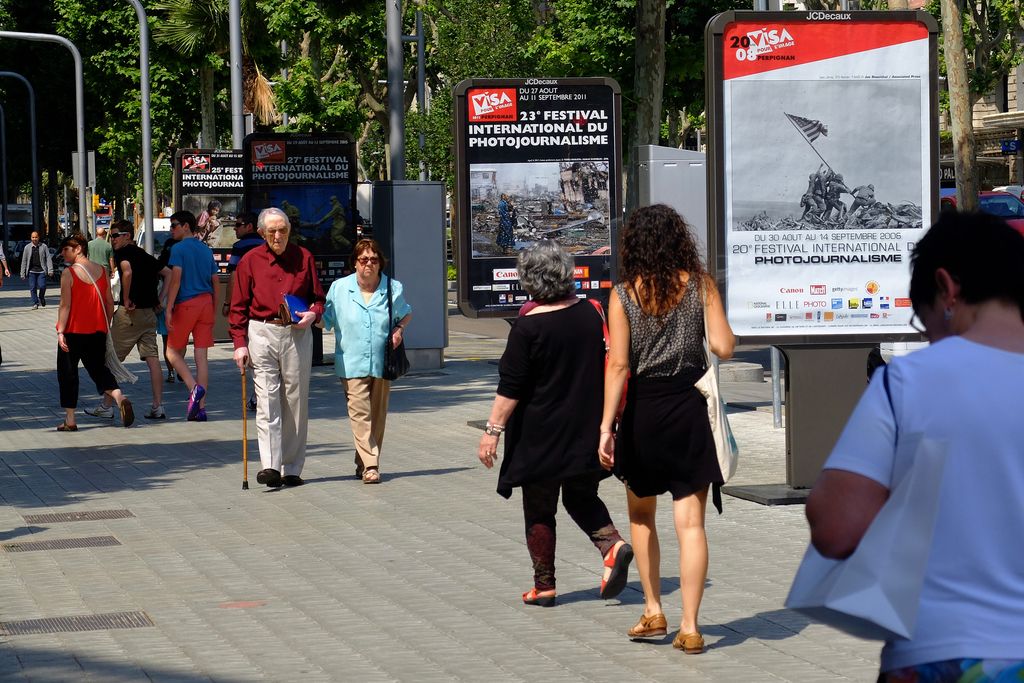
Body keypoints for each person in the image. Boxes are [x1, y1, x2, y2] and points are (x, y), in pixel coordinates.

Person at [805, 211, 1024, 682]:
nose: (927, 336)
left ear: (947, 289)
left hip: (943, 650)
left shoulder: (907, 382)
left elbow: (836, 528)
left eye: (921, 319)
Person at [598, 204, 735, 655]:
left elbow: (618, 365)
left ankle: (653, 608)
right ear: (679, 240)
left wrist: (605, 427)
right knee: (690, 523)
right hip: (688, 409)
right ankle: (691, 626)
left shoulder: (622, 295)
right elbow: (723, 346)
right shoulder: (700, 287)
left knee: (641, 515)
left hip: (643, 413)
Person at [478, 240, 633, 607]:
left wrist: (491, 433)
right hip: (586, 426)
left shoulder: (527, 327)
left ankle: (544, 585)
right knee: (582, 495)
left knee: (540, 506)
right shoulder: (591, 314)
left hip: (540, 432)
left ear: (530, 280)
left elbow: (511, 387)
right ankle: (613, 545)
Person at [229, 208, 325, 488]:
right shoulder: (250, 261)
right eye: (272, 231)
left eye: (283, 229)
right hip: (262, 330)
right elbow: (238, 307)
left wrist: (313, 314)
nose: (278, 235)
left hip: (296, 333)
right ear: (261, 233)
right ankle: (270, 465)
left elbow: (318, 299)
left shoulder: (304, 257)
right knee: (267, 398)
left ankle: (292, 467)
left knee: (296, 400)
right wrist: (239, 344)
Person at [322, 238, 411, 484]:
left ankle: (362, 461)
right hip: (351, 362)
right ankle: (372, 464)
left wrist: (399, 330)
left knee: (377, 415)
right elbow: (326, 319)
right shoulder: (340, 288)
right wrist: (305, 315)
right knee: (360, 413)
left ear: (380, 263)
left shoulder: (393, 288)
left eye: (373, 259)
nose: (368, 264)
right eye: (363, 260)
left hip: (382, 361)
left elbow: (406, 313)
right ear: (355, 263)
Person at [84, 220, 172, 421]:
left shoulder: (123, 253)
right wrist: (160, 299)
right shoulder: (147, 257)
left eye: (115, 235)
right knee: (152, 359)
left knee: (110, 358)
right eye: (111, 236)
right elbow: (168, 274)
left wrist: (125, 299)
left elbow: (127, 271)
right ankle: (158, 406)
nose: (112, 240)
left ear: (127, 236)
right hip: (149, 314)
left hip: (129, 314)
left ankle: (107, 405)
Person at [54, 233, 134, 431]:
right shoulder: (101, 270)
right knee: (99, 370)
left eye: (66, 249)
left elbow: (65, 306)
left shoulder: (69, 273)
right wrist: (105, 323)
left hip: (73, 331)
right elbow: (108, 301)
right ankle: (119, 397)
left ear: (78, 248)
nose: (63, 253)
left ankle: (70, 420)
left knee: (68, 374)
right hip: (97, 330)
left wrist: (60, 331)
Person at [164, 210, 219, 421]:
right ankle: (201, 409)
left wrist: (169, 307)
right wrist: (213, 306)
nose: (172, 229)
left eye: (174, 225)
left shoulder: (178, 249)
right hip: (206, 302)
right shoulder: (205, 249)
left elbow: (176, 279)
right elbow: (215, 281)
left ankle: (193, 388)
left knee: (172, 352)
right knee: (201, 357)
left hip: (186, 303)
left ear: (186, 226)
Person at [222, 211, 265, 411]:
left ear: (249, 226)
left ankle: (257, 394)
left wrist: (227, 303)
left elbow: (233, 277)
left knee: (251, 352)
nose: (235, 228)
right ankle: (260, 394)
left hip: (246, 305)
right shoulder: (266, 246)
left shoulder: (240, 247)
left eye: (238, 225)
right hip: (263, 306)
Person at [156, 233, 180, 384]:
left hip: (164, 304)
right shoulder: (181, 265)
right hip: (180, 304)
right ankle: (179, 367)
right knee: (179, 340)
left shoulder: (161, 265)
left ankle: (171, 371)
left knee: (167, 341)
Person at [20, 231, 53, 308]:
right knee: (33, 287)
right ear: (31, 238)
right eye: (33, 237)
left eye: (36, 237)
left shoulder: (43, 246)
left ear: (39, 238)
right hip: (31, 271)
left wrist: (50, 270)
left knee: (42, 286)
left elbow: (48, 258)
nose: (34, 239)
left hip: (41, 271)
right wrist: (22, 273)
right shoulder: (27, 248)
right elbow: (24, 260)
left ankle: (41, 297)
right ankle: (35, 302)